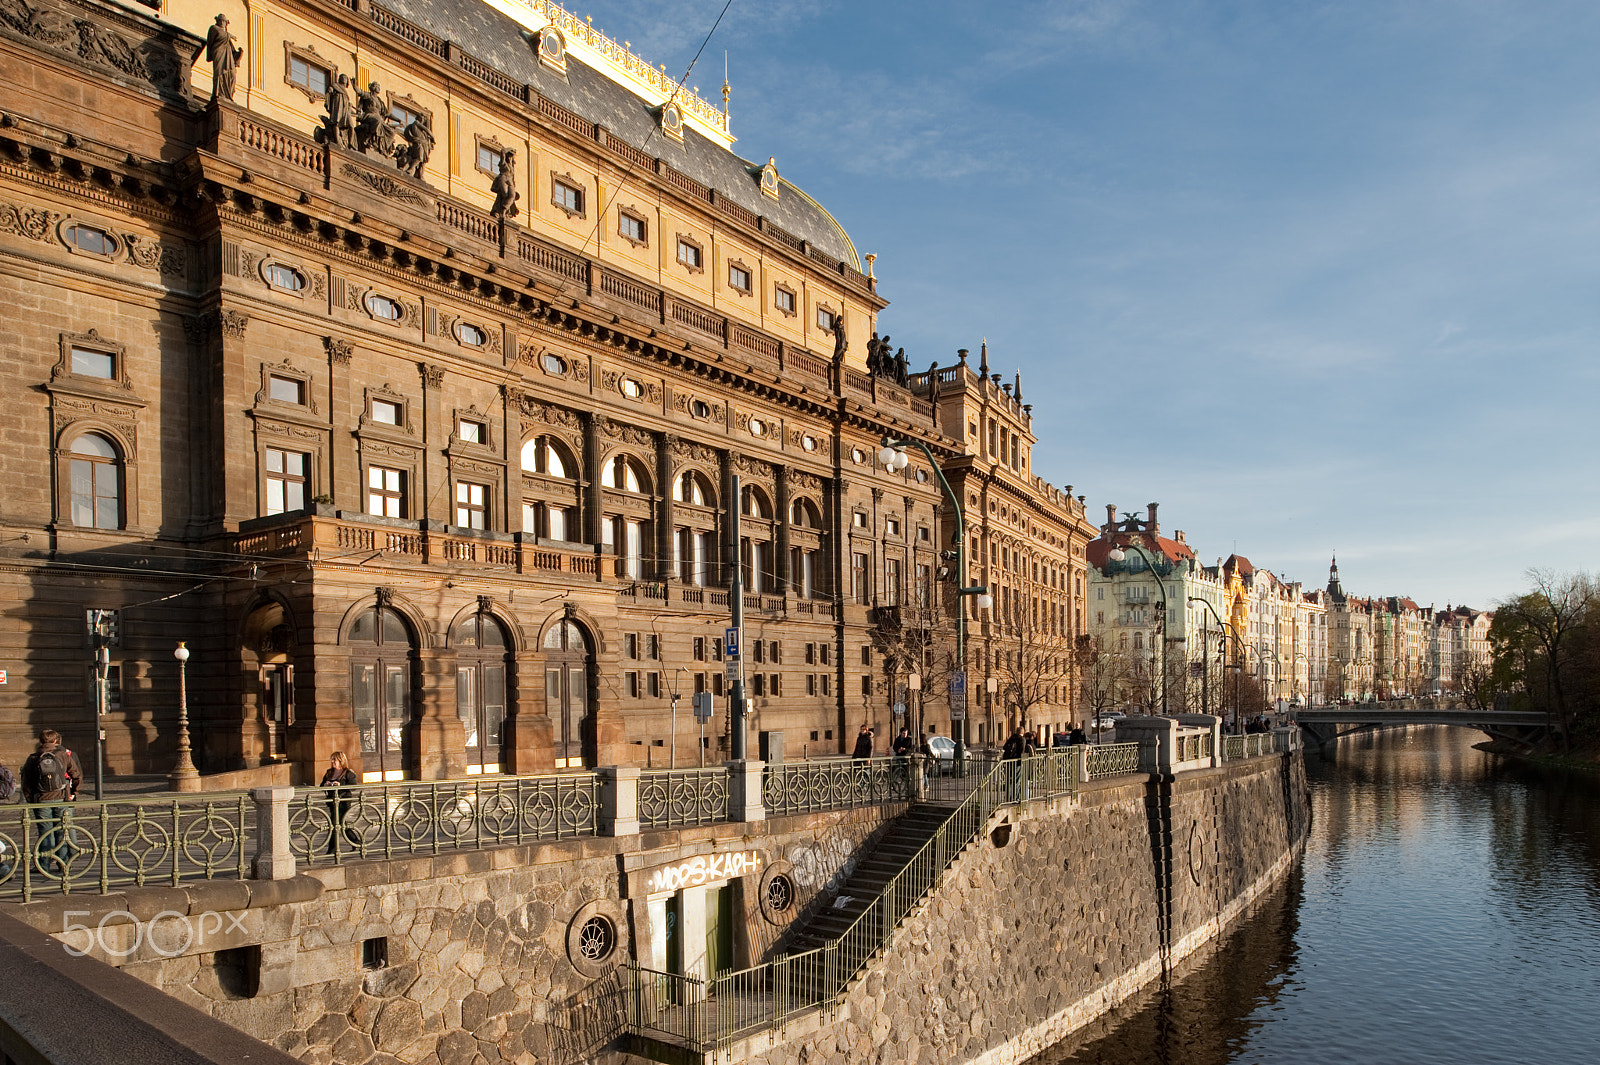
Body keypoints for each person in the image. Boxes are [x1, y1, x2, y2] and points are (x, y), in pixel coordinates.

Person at [20, 729, 82, 876]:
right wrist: (74, 793)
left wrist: (31, 799)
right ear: (55, 741)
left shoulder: (33, 757)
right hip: (62, 798)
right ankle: (63, 864)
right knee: (62, 830)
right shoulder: (62, 756)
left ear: (40, 741)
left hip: (41, 800)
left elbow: (26, 782)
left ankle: (44, 864)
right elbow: (76, 774)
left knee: (45, 832)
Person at [320, 751, 360, 854]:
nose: (333, 762)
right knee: (342, 824)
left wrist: (340, 784)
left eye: (335, 760)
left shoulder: (348, 773)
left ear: (341, 761)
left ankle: (332, 849)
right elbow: (321, 786)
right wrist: (326, 784)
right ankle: (356, 842)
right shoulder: (329, 772)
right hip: (332, 801)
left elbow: (353, 786)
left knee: (334, 824)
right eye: (332, 760)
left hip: (343, 801)